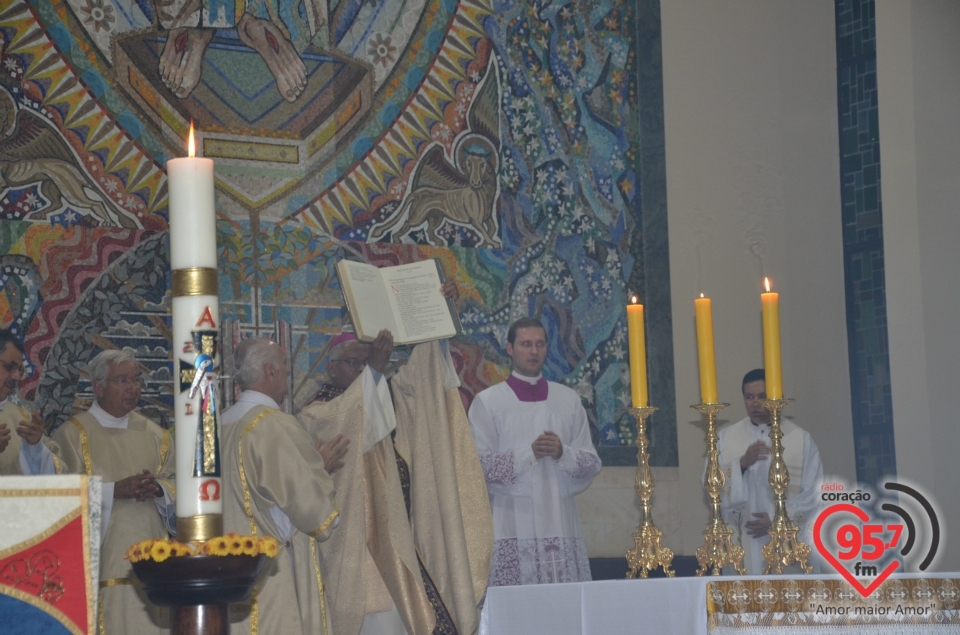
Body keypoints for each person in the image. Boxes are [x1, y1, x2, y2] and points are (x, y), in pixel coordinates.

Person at [297, 278, 492, 635]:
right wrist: (373, 371)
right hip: (357, 554)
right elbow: (353, 424)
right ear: (332, 368)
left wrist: (437, 322)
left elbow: (421, 386)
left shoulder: (381, 395)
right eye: (354, 363)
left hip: (403, 539)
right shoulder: (315, 415)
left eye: (365, 363)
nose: (361, 370)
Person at [468, 317, 601, 586]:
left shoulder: (567, 399)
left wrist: (563, 453)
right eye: (526, 344)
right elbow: (477, 468)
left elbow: (591, 462)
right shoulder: (488, 402)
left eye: (539, 344)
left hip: (560, 519)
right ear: (509, 348)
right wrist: (529, 454)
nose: (533, 351)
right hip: (511, 521)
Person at [220, 338, 339, 635]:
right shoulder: (275, 425)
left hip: (224, 573)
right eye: (285, 365)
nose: (289, 371)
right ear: (270, 371)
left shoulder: (217, 425)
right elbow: (311, 509)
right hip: (268, 573)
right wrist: (319, 471)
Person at [52, 349, 175, 635]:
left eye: (136, 380)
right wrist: (113, 491)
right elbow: (60, 499)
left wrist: (160, 489)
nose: (133, 388)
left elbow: (178, 483)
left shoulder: (157, 435)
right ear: (98, 386)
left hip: (155, 567)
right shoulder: (72, 435)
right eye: (123, 380)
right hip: (103, 567)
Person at [714, 368, 823, 574]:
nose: (755, 403)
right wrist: (741, 465)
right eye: (749, 397)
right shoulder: (725, 438)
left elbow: (815, 492)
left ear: (776, 397)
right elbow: (710, 485)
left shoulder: (800, 439)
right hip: (742, 541)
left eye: (762, 397)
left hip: (788, 544)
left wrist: (777, 518)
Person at [0, 329, 62, 475]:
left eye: (19, 369)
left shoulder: (24, 420)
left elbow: (60, 476)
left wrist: (35, 449)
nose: (16, 376)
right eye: (10, 366)